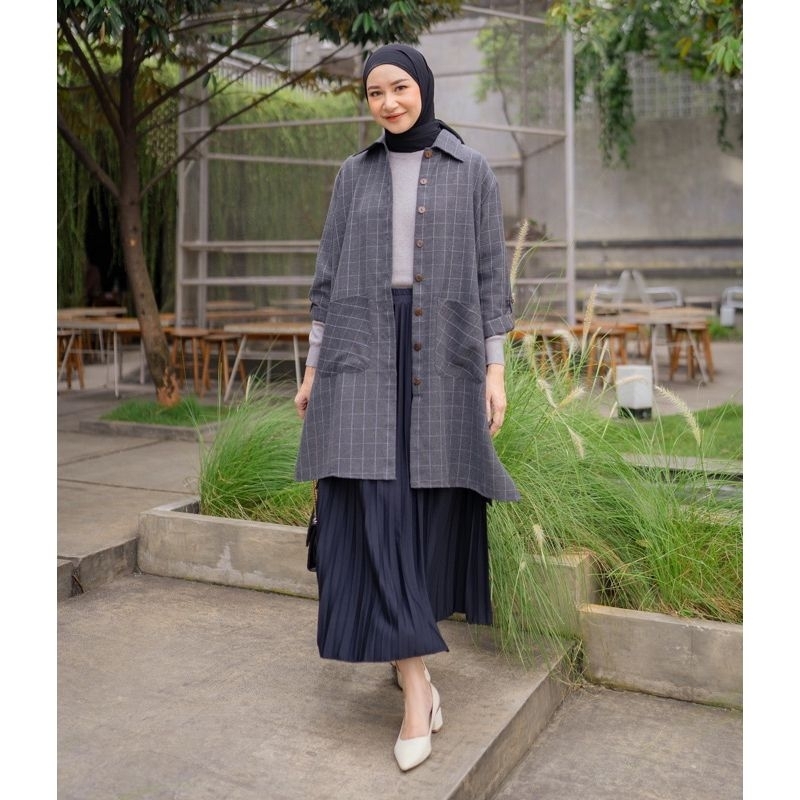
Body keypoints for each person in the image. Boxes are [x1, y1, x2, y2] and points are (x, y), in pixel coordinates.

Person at [294, 43, 519, 772]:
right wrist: (312, 370)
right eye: (374, 93)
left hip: (441, 358)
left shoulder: (471, 170)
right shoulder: (352, 175)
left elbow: (490, 279)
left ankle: (405, 662)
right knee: (373, 507)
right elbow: (327, 279)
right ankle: (417, 689)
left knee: (421, 515)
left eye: (399, 88)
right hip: (360, 355)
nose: (387, 102)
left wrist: (495, 371)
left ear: (422, 86)